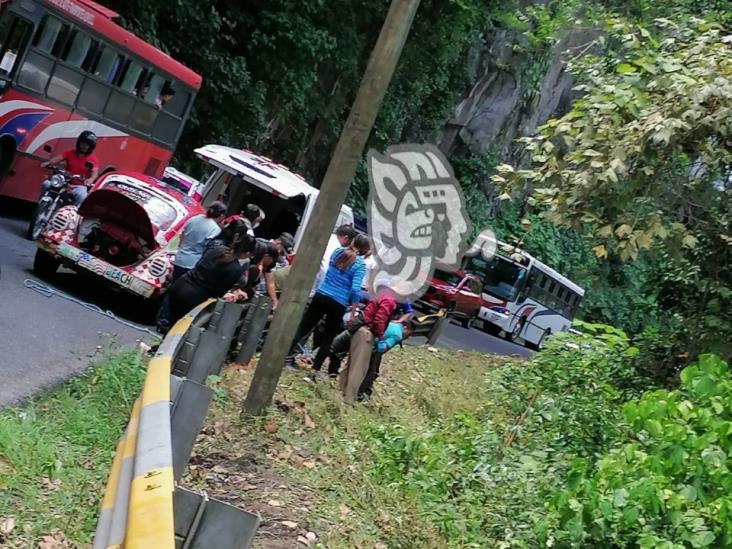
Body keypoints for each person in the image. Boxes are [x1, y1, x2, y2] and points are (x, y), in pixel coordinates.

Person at [285, 234, 370, 373]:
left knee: (304, 327)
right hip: (338, 302)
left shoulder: (337, 252)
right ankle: (315, 369)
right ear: (365, 250)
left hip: (321, 294)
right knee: (328, 338)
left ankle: (286, 358)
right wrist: (354, 310)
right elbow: (355, 289)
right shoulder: (360, 265)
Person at [165, 219, 254, 330]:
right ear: (247, 253)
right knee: (179, 330)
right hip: (193, 296)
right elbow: (218, 292)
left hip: (181, 284)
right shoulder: (235, 268)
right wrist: (230, 294)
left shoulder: (218, 249)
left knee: (172, 326)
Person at [156, 201, 227, 332]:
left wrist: (182, 250)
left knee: (172, 290)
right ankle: (173, 323)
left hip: (180, 258)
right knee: (183, 294)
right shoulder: (215, 229)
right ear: (221, 215)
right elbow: (208, 250)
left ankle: (163, 320)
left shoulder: (194, 219)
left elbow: (182, 236)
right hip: (193, 263)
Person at [340, 319, 414, 404]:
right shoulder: (398, 335)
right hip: (370, 343)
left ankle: (343, 386)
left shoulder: (392, 324)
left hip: (362, 334)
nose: (407, 337)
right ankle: (358, 394)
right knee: (368, 371)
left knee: (352, 364)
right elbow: (383, 348)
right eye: (409, 334)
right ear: (406, 328)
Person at [40, 130, 99, 206]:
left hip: (79, 185)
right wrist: (48, 163)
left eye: (88, 145)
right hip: (65, 181)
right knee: (46, 184)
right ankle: (42, 203)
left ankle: (74, 214)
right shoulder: (70, 152)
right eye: (83, 142)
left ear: (90, 147)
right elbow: (59, 158)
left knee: (81, 196)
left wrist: (91, 179)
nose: (85, 146)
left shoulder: (93, 159)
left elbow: (95, 172)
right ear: (79, 142)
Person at [314, 225, 357, 292]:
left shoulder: (329, 237)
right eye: (351, 241)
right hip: (320, 283)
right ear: (345, 238)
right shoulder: (338, 248)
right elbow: (326, 267)